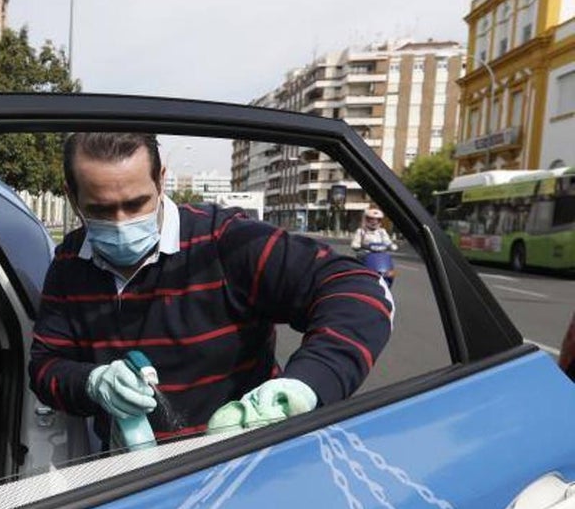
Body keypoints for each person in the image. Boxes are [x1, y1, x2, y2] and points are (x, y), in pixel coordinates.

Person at [28, 132, 394, 448]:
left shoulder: (225, 242)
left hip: (243, 463)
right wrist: (92, 383)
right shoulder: (69, 262)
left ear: (161, 180)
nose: (122, 224)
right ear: (72, 197)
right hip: (131, 481)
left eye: (136, 204)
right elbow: (46, 367)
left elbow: (359, 290)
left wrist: (302, 387)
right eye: (102, 210)